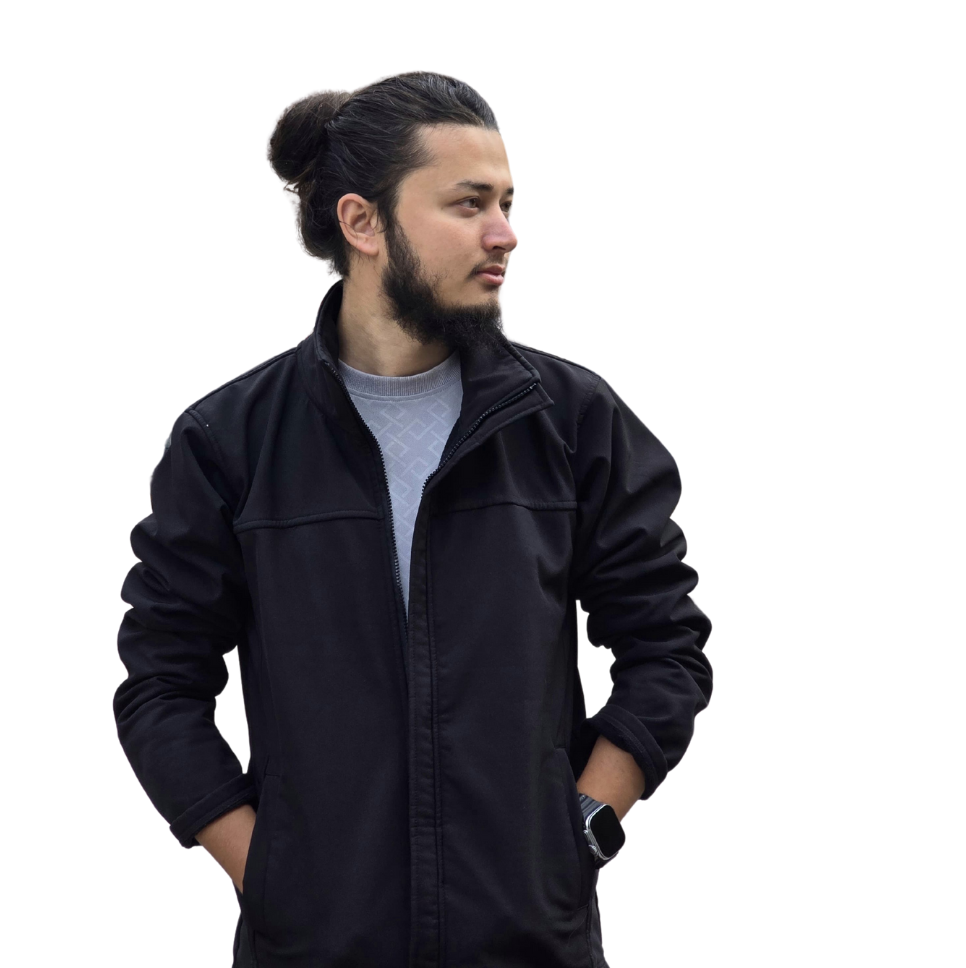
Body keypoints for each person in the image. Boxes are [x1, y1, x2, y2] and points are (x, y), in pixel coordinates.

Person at [113, 71, 713, 968]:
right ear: (363, 223)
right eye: (469, 204)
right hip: (314, 950)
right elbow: (161, 682)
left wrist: (585, 824)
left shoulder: (569, 422)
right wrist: (262, 867)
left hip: (529, 944)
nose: (504, 233)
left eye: (506, 203)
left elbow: (665, 644)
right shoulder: (230, 442)